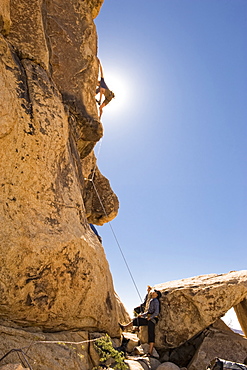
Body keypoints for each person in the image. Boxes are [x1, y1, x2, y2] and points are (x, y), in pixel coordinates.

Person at [119, 289, 162, 357]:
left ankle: (149, 352)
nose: (153, 292)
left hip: (152, 320)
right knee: (137, 320)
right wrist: (142, 315)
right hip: (148, 318)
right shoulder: (152, 300)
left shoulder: (156, 301)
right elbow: (148, 312)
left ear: (156, 295)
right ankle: (124, 327)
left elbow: (156, 312)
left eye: (155, 292)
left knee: (151, 334)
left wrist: (150, 318)